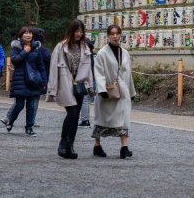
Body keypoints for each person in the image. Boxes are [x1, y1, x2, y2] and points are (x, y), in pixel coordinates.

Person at [47, 20, 94, 159]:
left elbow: (89, 69)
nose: (79, 34)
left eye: (81, 31)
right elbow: (53, 69)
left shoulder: (85, 47)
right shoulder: (61, 47)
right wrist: (52, 89)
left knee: (75, 115)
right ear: (71, 31)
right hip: (65, 84)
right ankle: (63, 143)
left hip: (79, 85)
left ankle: (70, 145)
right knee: (72, 113)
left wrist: (91, 86)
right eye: (76, 31)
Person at [92, 24, 136, 159]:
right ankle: (97, 145)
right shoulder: (102, 53)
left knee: (123, 118)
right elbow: (98, 72)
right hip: (107, 89)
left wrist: (131, 91)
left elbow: (128, 73)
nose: (115, 36)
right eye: (112, 33)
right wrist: (101, 89)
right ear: (108, 35)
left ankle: (124, 147)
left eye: (117, 33)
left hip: (122, 90)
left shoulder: (125, 53)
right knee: (102, 118)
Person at [1, 26, 46, 136]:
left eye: (30, 33)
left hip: (33, 80)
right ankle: (11, 120)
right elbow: (15, 60)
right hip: (20, 79)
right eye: (25, 33)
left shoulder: (36, 47)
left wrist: (44, 80)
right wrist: (25, 52)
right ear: (21, 35)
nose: (28, 35)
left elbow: (41, 65)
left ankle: (29, 128)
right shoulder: (16, 47)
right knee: (19, 104)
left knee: (31, 105)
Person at [79, 37, 97, 127]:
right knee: (86, 100)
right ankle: (85, 119)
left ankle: (85, 120)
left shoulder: (85, 55)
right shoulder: (90, 55)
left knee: (84, 100)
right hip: (91, 78)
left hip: (85, 79)